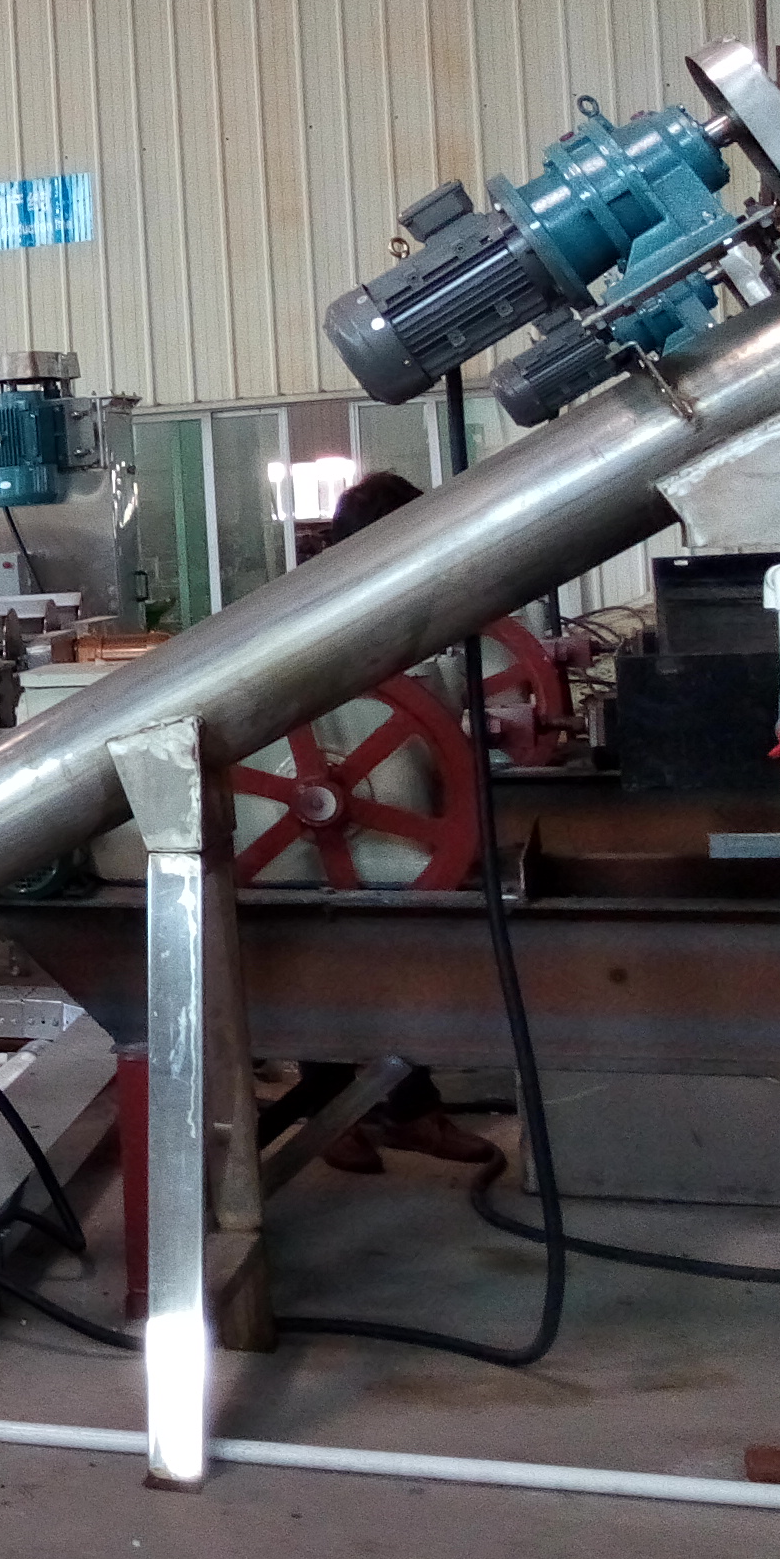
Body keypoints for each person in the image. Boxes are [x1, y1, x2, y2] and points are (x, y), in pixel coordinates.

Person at [262, 464, 505, 1173]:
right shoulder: (317, 619)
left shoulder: (406, 612)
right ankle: (335, 1114)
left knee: (394, 967)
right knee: (321, 969)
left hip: (397, 820)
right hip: (317, 834)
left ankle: (405, 1111)